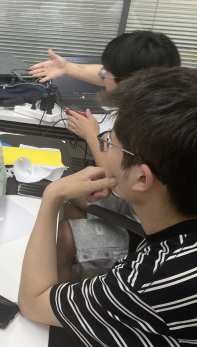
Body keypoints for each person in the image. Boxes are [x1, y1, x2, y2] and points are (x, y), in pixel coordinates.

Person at [19, 66, 197, 345]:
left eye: (109, 143)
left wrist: (52, 195)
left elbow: (33, 302)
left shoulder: (148, 281)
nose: (104, 147)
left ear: (142, 178)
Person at [31, 31, 180, 281]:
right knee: (74, 201)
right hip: (140, 205)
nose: (102, 76)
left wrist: (92, 135)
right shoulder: (164, 100)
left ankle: (59, 290)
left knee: (63, 234)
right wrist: (66, 68)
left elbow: (117, 181)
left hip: (147, 232)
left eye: (107, 74)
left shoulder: (143, 128)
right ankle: (77, 267)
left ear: (128, 81)